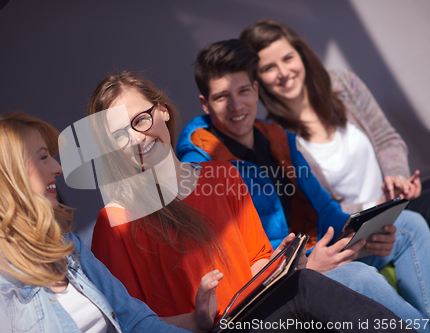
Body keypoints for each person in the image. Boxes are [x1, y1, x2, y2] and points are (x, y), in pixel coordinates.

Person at [88, 71, 414, 333]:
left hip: (260, 309)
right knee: (336, 281)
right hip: (215, 329)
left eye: (140, 120)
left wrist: (287, 265)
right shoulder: (115, 220)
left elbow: (259, 263)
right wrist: (196, 320)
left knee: (357, 276)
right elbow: (125, 321)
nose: (135, 138)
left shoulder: (223, 175)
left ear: (161, 110)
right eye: (117, 135)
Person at [175, 38, 430, 329]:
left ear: (256, 90)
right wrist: (305, 265)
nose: (236, 105)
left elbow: (324, 207)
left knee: (411, 226)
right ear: (205, 104)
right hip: (275, 280)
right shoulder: (199, 163)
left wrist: (359, 232)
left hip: (312, 251)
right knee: (359, 278)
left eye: (243, 91)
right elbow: (231, 254)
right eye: (222, 97)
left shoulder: (277, 137)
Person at [0, 112, 190, 333]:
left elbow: (134, 320)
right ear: (6, 175)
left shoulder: (65, 245)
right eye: (43, 158)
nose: (58, 168)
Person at [239, 19, 429, 219]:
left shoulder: (344, 84)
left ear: (301, 55)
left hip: (398, 206)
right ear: (257, 80)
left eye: (288, 58)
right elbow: (317, 208)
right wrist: (377, 206)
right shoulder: (274, 140)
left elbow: (386, 140)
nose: (284, 73)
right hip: (357, 229)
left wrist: (398, 179)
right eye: (269, 68)